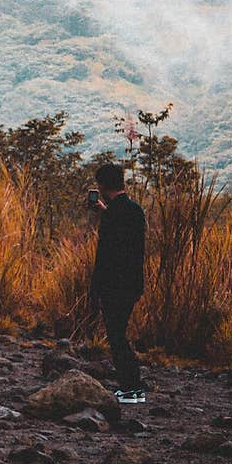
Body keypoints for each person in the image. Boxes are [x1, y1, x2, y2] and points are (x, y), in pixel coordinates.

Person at [89, 162, 147, 404]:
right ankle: (132, 386)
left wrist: (95, 288)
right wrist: (105, 211)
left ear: (102, 185)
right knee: (119, 333)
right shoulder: (135, 210)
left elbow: (105, 255)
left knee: (116, 336)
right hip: (132, 283)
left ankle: (132, 387)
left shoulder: (112, 215)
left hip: (113, 285)